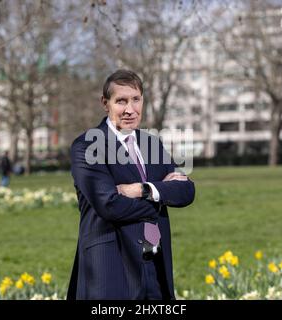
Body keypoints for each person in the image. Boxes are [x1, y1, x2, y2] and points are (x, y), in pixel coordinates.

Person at [67, 70, 195, 300]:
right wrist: (161, 198)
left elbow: (187, 190)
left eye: (136, 99)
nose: (130, 109)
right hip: (111, 267)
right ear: (105, 104)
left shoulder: (150, 143)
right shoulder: (87, 146)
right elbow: (110, 205)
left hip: (154, 265)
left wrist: (143, 189)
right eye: (121, 101)